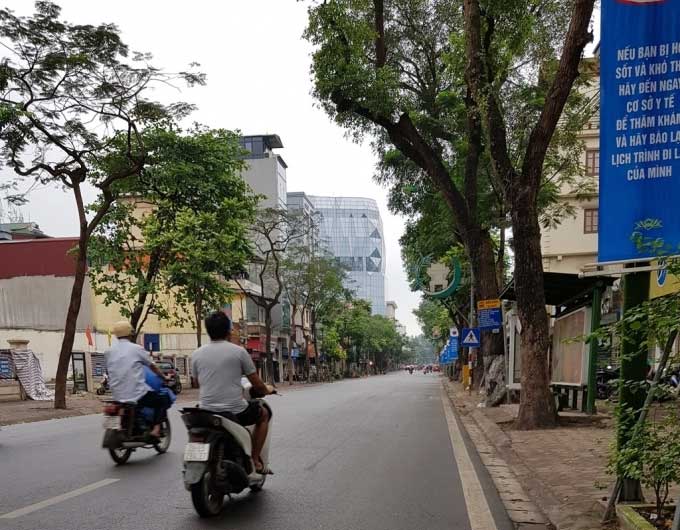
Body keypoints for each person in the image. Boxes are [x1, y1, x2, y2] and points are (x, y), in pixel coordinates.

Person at [191, 311, 274, 474]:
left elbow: (196, 382)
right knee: (263, 413)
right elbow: (256, 383)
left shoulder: (196, 354)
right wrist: (267, 390)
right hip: (235, 410)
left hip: (205, 410)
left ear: (208, 330)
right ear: (229, 331)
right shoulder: (239, 352)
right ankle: (255, 459)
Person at [105, 321, 169, 438]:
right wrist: (163, 377)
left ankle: (121, 426)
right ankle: (155, 430)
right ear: (130, 334)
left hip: (116, 394)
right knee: (162, 400)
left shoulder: (108, 351)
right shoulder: (136, 349)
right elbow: (152, 366)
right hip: (136, 393)